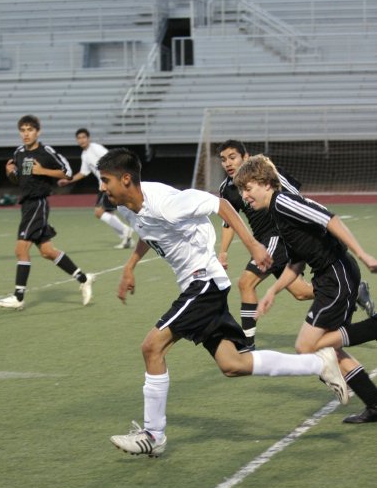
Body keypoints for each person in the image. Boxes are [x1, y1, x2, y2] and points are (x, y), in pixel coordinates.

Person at [96, 148, 348, 458]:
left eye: (105, 181)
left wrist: (254, 245)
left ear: (125, 179)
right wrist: (130, 266)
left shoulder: (167, 203)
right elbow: (148, 232)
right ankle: (318, 362)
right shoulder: (128, 208)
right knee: (233, 364)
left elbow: (222, 204)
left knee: (152, 347)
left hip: (204, 283)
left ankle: (153, 433)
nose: (101, 188)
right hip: (197, 286)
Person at [233, 154, 377, 424]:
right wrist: (272, 292)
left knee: (306, 346)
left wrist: (364, 254)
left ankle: (373, 328)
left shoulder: (284, 202)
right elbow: (297, 261)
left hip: (337, 275)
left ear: (265, 183)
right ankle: (375, 403)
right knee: (325, 349)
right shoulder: (276, 212)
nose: (244, 196)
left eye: (248, 188)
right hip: (327, 278)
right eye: (241, 191)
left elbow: (330, 220)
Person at [217, 139, 313, 348]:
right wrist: (223, 252)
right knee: (301, 293)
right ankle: (351, 289)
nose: (228, 163)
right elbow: (229, 222)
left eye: (232, 157)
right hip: (264, 240)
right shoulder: (227, 188)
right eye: (223, 160)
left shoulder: (268, 173)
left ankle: (247, 343)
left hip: (279, 236)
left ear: (246, 157)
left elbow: (298, 199)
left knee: (245, 283)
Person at [0, 115, 94, 310]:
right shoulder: (19, 152)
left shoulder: (46, 152)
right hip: (27, 205)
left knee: (21, 250)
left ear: (38, 132)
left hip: (38, 204)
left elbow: (68, 173)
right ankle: (84, 278)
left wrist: (44, 171)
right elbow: (18, 179)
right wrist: (9, 172)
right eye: (22, 130)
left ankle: (18, 297)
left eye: (30, 130)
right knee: (47, 251)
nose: (26, 134)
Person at [58, 128, 134, 248]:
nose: (81, 140)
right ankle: (126, 239)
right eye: (79, 138)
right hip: (104, 184)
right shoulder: (85, 154)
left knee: (99, 212)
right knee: (108, 213)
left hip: (109, 184)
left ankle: (126, 230)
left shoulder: (95, 148)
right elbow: (83, 173)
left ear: (88, 138)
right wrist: (68, 181)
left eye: (84, 137)